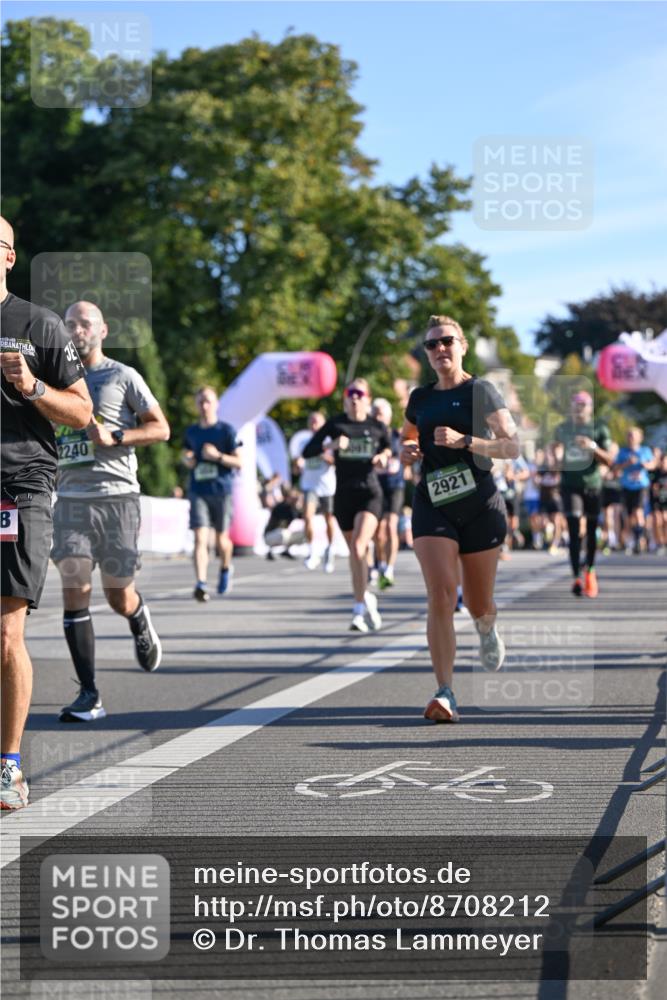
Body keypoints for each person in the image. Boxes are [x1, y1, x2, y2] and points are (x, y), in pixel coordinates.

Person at [0, 217, 93, 807]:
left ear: (8, 256)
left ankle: (7, 765)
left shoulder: (39, 324)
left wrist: (33, 387)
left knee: (5, 629)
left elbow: (82, 414)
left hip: (18, 486)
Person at [52, 301, 170, 722]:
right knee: (75, 590)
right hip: (70, 502)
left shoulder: (122, 376)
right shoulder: (52, 382)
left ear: (102, 331)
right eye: (70, 324)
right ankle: (89, 694)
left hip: (117, 498)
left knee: (117, 594)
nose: (76, 330)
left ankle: (137, 616)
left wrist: (117, 435)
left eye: (85, 323)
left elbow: (161, 427)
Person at [400, 315, 519, 723]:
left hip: (480, 505)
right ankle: (445, 691)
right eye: (431, 345)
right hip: (432, 500)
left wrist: (466, 440)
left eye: (446, 341)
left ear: (462, 345)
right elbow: (408, 436)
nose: (439, 350)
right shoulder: (420, 397)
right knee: (440, 594)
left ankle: (486, 628)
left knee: (479, 602)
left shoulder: (481, 390)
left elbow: (512, 446)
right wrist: (408, 452)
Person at [302, 378, 391, 633]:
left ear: (368, 399)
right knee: (356, 554)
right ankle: (366, 597)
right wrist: (330, 445)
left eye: (359, 393)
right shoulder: (336, 424)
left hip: (370, 494)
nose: (354, 398)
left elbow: (389, 449)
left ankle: (358, 610)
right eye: (350, 393)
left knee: (360, 546)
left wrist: (383, 457)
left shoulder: (376, 426)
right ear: (345, 398)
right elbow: (307, 451)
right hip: (343, 496)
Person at [182, 386, 242, 601]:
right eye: (200, 402)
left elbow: (239, 461)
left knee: (221, 541)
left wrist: (217, 457)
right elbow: (186, 454)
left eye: (207, 401)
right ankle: (201, 583)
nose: (204, 405)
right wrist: (187, 459)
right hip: (198, 490)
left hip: (221, 490)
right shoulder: (192, 432)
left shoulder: (226, 431)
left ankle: (226, 568)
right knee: (200, 538)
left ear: (216, 404)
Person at [554, 390, 613, 597]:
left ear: (590, 408)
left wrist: (592, 447)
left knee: (590, 530)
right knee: (572, 526)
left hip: (592, 485)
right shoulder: (562, 428)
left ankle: (589, 569)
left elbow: (609, 460)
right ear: (571, 408)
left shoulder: (600, 429)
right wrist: (556, 456)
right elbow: (555, 452)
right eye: (576, 405)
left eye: (583, 405)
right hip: (570, 484)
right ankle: (576, 577)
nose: (579, 409)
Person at [290, 411, 337, 573]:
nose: (314, 425)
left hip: (327, 486)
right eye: (312, 421)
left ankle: (329, 550)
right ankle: (312, 552)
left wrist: (324, 455)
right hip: (309, 486)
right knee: (307, 516)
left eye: (317, 422)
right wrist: (297, 465)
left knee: (328, 519)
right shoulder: (304, 442)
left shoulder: (329, 441)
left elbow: (335, 462)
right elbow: (296, 470)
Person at [371, 398, 405, 589]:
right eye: (375, 413)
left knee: (390, 526)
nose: (378, 417)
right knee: (378, 531)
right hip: (376, 486)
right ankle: (381, 563)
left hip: (394, 485)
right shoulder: (370, 437)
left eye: (381, 413)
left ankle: (389, 568)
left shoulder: (396, 436)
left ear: (389, 416)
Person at [614, 426, 656, 556]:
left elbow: (653, 464)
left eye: (633, 435)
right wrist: (627, 463)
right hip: (627, 487)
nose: (631, 438)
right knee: (630, 515)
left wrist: (646, 465)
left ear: (639, 438)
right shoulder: (623, 452)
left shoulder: (645, 450)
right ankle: (638, 536)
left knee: (638, 512)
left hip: (641, 486)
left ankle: (640, 540)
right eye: (629, 435)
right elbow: (615, 468)